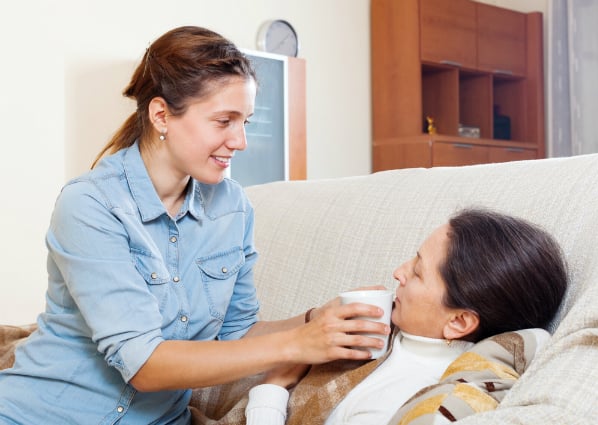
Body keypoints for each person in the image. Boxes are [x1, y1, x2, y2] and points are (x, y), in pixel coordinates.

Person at [0, 26, 389, 424]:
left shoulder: (232, 207)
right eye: (224, 121)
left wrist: (317, 320)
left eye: (246, 122)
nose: (240, 141)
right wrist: (297, 344)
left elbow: (238, 333)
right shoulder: (90, 204)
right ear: (161, 115)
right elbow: (144, 364)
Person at [245, 208, 569, 425]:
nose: (398, 272)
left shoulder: (401, 397)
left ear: (458, 322)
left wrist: (273, 386)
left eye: (417, 272)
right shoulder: (387, 333)